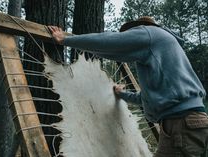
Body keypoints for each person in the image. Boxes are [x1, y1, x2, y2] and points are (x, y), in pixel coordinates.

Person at [48, 17, 208, 157]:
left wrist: (66, 40)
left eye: (129, 35)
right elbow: (144, 98)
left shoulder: (149, 33)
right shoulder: (163, 51)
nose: (128, 39)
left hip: (181, 124)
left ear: (139, 29)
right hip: (189, 122)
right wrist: (121, 94)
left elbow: (110, 42)